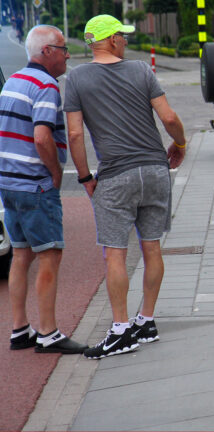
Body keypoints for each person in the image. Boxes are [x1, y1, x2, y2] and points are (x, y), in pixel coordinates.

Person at [64, 15, 187, 359]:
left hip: (116, 175)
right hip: (155, 170)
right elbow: (169, 118)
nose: (127, 42)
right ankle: (146, 321)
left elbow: (74, 134)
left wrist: (86, 177)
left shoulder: (76, 79)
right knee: (152, 248)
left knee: (115, 253)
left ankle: (121, 330)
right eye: (123, 36)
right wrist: (180, 144)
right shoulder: (141, 71)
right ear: (113, 40)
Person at [0, 25, 88, 354]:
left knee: (21, 255)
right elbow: (41, 136)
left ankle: (19, 328)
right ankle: (48, 333)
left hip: (9, 183)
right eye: (63, 48)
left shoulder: (13, 82)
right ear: (47, 52)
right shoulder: (46, 86)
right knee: (50, 254)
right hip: (35, 185)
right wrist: (54, 172)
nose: (68, 54)